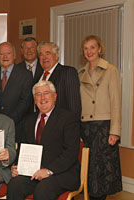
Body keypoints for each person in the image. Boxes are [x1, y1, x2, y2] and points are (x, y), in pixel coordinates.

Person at [7, 80, 80, 200]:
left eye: (46, 93)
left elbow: (71, 152)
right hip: (34, 172)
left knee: (43, 189)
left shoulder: (68, 118)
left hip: (61, 173)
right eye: (38, 94)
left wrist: (49, 171)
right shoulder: (29, 120)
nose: (42, 98)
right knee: (15, 185)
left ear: (54, 96)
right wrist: (17, 166)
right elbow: (23, 148)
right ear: (34, 100)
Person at [78, 35, 122, 200]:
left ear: (99, 49)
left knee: (101, 171)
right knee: (88, 169)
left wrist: (115, 131)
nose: (89, 51)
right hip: (86, 126)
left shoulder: (111, 70)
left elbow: (116, 102)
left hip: (103, 126)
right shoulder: (80, 72)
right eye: (86, 48)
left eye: (92, 47)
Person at [0, 42, 33, 142]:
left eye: (8, 53)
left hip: (17, 126)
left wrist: (8, 121)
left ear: (14, 55)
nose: (5, 57)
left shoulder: (25, 75)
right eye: (1, 54)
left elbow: (25, 101)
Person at [37, 41, 82, 119]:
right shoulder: (37, 78)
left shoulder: (67, 72)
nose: (44, 57)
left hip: (61, 127)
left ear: (56, 55)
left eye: (47, 53)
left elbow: (74, 108)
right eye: (41, 54)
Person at [17, 37, 44, 113]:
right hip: (21, 116)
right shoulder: (15, 70)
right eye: (26, 48)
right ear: (21, 51)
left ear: (37, 50)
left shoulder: (45, 67)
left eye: (32, 47)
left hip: (41, 113)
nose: (29, 51)